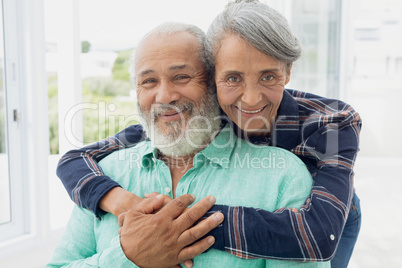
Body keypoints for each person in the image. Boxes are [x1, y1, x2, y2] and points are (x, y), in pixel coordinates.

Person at [56, 0, 362, 267]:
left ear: (288, 72)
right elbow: (76, 158)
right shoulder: (190, 119)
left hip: (333, 217)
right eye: (232, 78)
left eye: (268, 76)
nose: (251, 98)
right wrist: (119, 204)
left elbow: (320, 235)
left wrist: (169, 230)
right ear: (216, 81)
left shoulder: (331, 123)